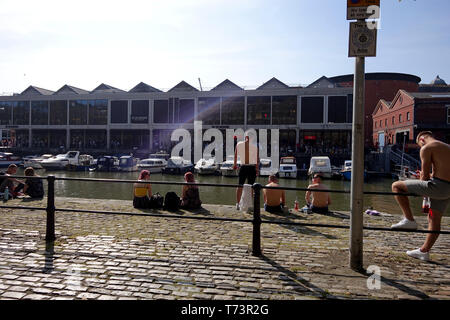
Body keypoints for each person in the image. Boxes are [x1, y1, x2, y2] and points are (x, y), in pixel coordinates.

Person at [391, 131, 450, 261]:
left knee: (396, 186)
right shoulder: (446, 146)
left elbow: (424, 176)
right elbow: (439, 171)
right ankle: (424, 251)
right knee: (434, 220)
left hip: (437, 186)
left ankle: (409, 220)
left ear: (422, 139)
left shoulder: (426, 148)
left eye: (419, 145)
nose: (420, 148)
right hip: (447, 189)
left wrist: (422, 186)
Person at [233, 134, 259, 210]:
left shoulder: (239, 144)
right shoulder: (254, 146)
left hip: (243, 166)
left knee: (240, 185)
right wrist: (257, 169)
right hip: (251, 167)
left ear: (245, 137)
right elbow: (257, 159)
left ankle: (238, 204)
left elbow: (235, 156)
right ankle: (250, 205)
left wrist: (234, 165)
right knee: (251, 187)